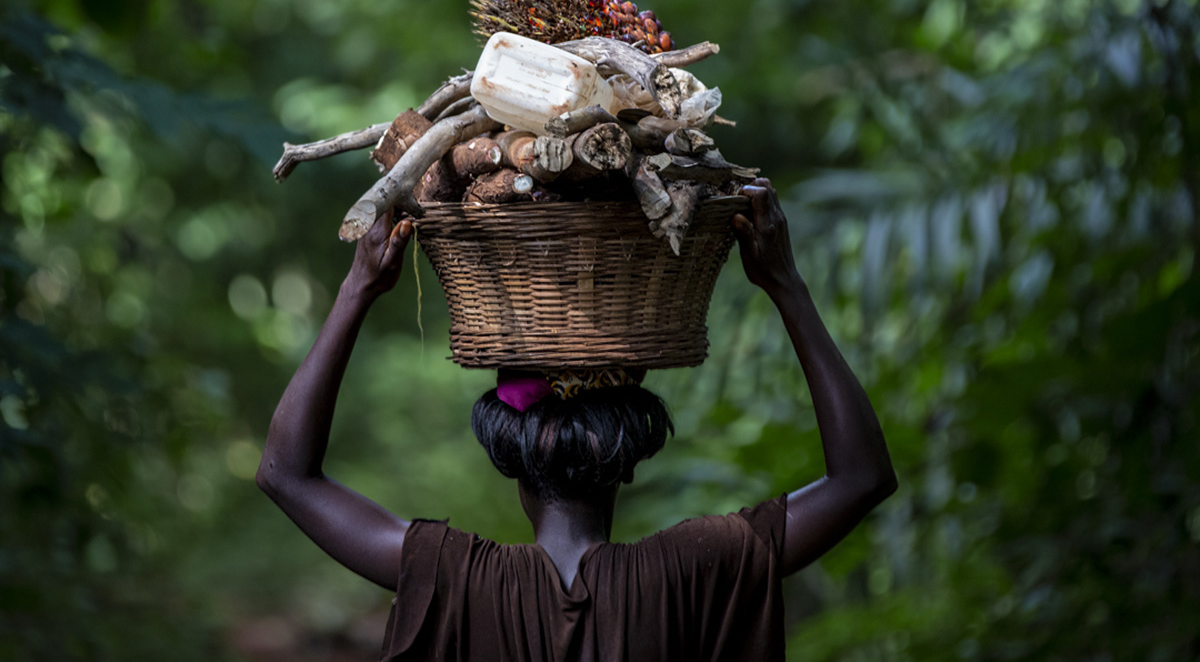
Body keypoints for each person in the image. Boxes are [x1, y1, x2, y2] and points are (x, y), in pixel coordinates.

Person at [257, 179, 897, 661]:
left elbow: (286, 474)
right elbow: (861, 478)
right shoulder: (697, 566)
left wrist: (356, 290)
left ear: (513, 455)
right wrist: (785, 284)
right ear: (623, 457)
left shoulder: (455, 577)